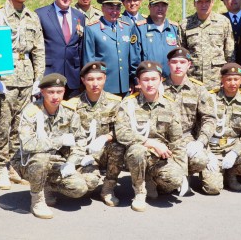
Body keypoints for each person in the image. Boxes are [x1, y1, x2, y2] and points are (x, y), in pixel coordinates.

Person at [0, 0, 45, 189]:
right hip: (5, 78)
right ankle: (1, 167)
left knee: (20, 125)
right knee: (3, 125)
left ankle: (13, 165)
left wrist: (38, 78)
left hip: (26, 77)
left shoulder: (32, 16)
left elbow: (38, 49)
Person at [11, 73, 88, 219]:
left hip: (57, 161)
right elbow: (27, 144)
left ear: (64, 92)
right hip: (28, 162)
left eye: (59, 92)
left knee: (79, 188)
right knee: (41, 158)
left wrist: (72, 162)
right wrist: (59, 141)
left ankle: (47, 185)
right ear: (42, 92)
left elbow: (80, 140)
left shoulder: (69, 112)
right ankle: (37, 200)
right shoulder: (31, 112)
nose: (55, 96)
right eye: (51, 92)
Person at [114, 61, 187, 212]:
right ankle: (139, 191)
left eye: (154, 79)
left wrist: (182, 172)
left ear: (161, 80)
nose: (150, 84)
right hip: (134, 156)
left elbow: (177, 140)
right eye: (145, 80)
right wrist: (151, 143)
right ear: (139, 82)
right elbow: (121, 132)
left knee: (175, 179)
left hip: (160, 158)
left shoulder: (170, 105)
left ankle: (151, 180)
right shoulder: (128, 104)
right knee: (137, 151)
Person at [66, 61, 126, 207]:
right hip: (82, 153)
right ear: (83, 80)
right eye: (90, 79)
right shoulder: (72, 104)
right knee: (89, 184)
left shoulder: (115, 102)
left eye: (99, 79)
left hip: (104, 152)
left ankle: (108, 189)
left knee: (118, 147)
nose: (95, 83)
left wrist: (106, 137)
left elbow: (122, 129)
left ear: (105, 78)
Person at [202, 63, 241, 194]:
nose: (233, 83)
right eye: (229, 79)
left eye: (236, 79)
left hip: (233, 149)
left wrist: (235, 152)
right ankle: (216, 172)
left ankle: (231, 173)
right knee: (212, 189)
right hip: (212, 149)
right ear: (222, 80)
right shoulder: (210, 99)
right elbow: (198, 127)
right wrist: (207, 153)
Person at [162, 47, 216, 185]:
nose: (178, 66)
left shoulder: (198, 89)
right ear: (168, 64)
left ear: (189, 64)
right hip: (165, 139)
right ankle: (172, 177)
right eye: (174, 62)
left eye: (182, 62)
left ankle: (186, 174)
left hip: (188, 139)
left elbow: (209, 118)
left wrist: (201, 142)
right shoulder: (159, 88)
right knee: (166, 186)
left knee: (212, 185)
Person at [83, 0, 141, 95]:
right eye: (111, 8)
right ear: (102, 8)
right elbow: (89, 61)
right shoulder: (92, 29)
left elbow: (133, 58)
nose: (114, 12)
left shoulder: (127, 28)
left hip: (126, 86)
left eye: (118, 8)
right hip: (104, 86)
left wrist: (134, 79)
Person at [35, 0, 86, 96]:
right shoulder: (40, 14)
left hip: (73, 76)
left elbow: (80, 46)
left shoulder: (79, 16)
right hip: (50, 73)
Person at [178, 0, 234, 90]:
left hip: (217, 81)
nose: (204, 5)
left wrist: (228, 77)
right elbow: (181, 54)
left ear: (212, 3)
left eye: (207, 1)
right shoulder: (185, 24)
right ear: (194, 4)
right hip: (193, 80)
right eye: (200, 2)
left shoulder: (223, 22)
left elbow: (229, 53)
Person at [136, 0, 180, 77]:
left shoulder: (174, 28)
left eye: (163, 5)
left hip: (171, 79)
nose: (160, 9)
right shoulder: (140, 28)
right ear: (149, 7)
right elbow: (134, 60)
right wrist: (137, 80)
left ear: (167, 8)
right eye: (156, 5)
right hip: (149, 80)